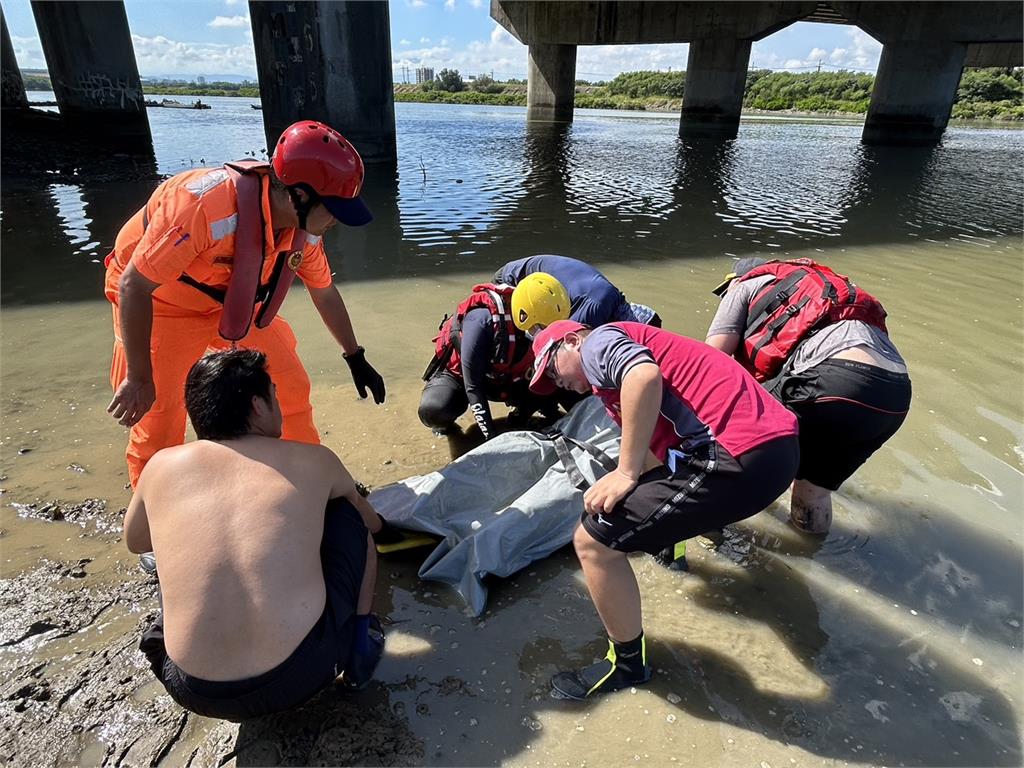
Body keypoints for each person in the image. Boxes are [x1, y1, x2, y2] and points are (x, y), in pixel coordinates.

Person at [105, 119, 386, 488]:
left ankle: (310, 484)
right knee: (157, 416)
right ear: (299, 196)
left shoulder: (304, 232)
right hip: (161, 302)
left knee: (289, 387)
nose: (337, 220)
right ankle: (154, 509)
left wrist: (355, 356)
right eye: (334, 208)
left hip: (233, 302)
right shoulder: (203, 207)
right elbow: (134, 285)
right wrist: (139, 377)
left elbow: (324, 292)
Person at [528, 320, 799, 699]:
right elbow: (658, 462)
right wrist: (639, 498)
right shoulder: (616, 380)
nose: (558, 383)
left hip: (736, 453)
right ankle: (674, 552)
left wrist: (624, 473)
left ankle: (626, 667)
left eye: (553, 370)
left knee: (592, 542)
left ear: (572, 341)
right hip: (773, 451)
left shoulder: (597, 343)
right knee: (645, 496)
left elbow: (643, 376)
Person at [124, 349, 385, 720]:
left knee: (174, 545)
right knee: (348, 515)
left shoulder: (161, 465)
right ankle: (360, 647)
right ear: (258, 406)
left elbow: (137, 542)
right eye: (274, 394)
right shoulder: (314, 459)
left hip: (191, 688)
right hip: (300, 676)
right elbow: (370, 523)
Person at [705, 257, 911, 534]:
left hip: (833, 378)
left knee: (733, 445)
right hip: (895, 396)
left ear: (737, 279)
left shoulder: (744, 285)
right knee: (813, 491)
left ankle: (706, 528)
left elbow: (712, 362)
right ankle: (810, 550)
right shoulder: (822, 291)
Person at [417, 282, 540, 441]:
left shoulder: (544, 322)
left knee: (560, 383)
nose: (542, 329)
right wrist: (491, 437)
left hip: (506, 377)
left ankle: (520, 417)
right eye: (539, 325)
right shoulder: (480, 320)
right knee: (434, 410)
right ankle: (447, 428)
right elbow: (473, 386)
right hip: (462, 377)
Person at [494, 254, 660, 336]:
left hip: (521, 272)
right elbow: (564, 340)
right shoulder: (596, 307)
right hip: (509, 280)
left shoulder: (611, 296)